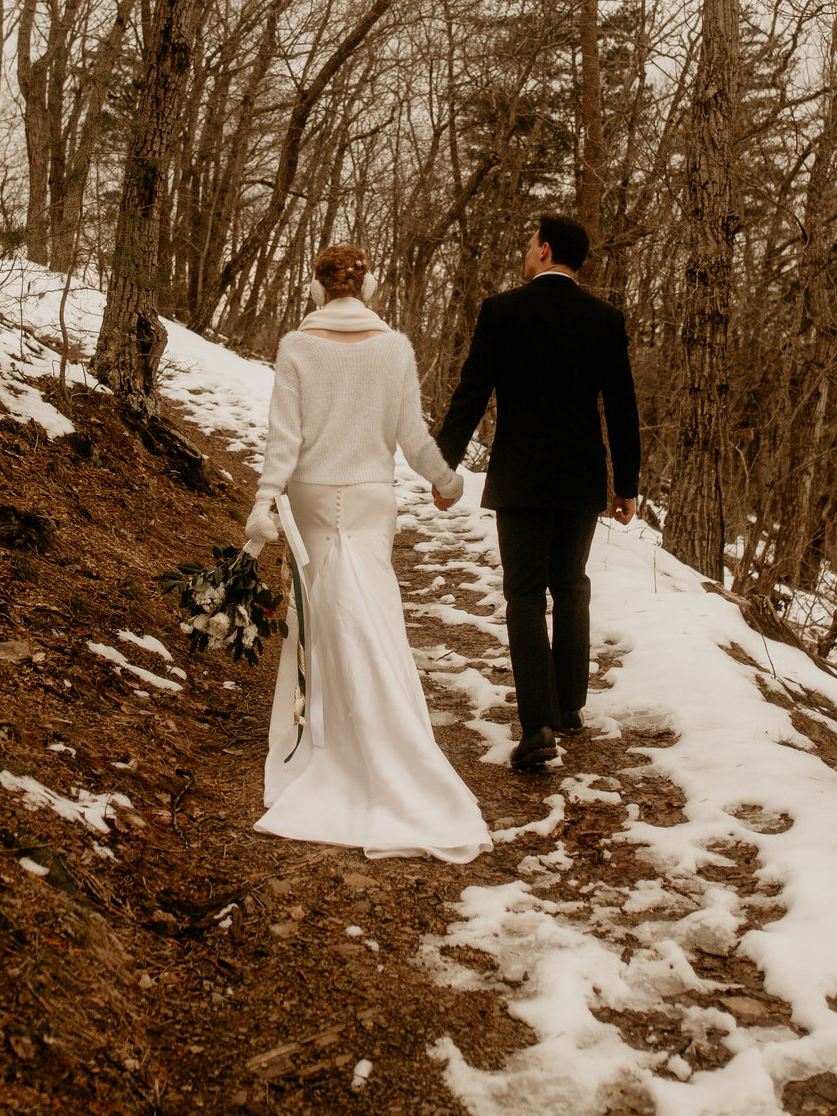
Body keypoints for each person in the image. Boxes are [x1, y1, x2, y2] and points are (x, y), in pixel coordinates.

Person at [244, 244, 490, 862]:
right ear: (369, 287)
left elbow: (284, 438)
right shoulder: (395, 348)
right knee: (373, 615)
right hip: (372, 499)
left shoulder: (297, 347)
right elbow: (412, 437)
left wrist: (265, 499)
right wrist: (445, 478)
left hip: (311, 494)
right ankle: (387, 732)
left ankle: (316, 738)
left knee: (317, 619)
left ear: (317, 290)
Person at [438, 214, 641, 773]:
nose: (526, 253)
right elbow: (622, 406)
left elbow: (472, 391)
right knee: (570, 584)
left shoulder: (502, 310)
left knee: (526, 593)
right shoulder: (605, 319)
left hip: (522, 476)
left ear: (546, 250)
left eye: (530, 244)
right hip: (580, 477)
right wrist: (627, 484)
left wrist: (443, 464)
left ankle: (537, 727)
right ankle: (569, 705)